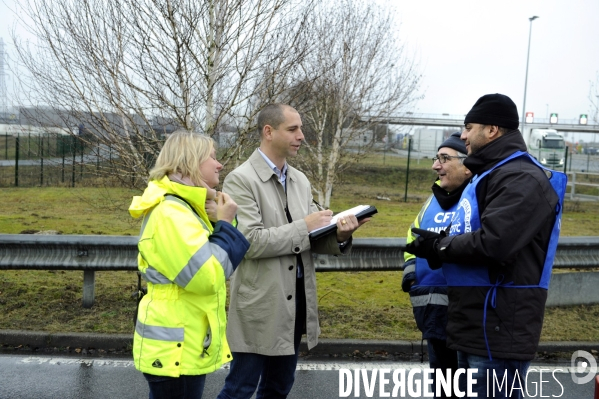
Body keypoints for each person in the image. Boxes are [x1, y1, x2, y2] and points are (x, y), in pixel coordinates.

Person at [405, 94, 566, 398]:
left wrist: (439, 246)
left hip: (497, 329)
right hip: (475, 324)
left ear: (492, 130)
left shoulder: (519, 176)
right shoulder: (491, 174)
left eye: (469, 127)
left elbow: (496, 243)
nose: (462, 135)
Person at [217, 104, 369, 399]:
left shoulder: (299, 179)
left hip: (296, 303)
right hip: (260, 305)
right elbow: (250, 241)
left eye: (301, 128)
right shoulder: (240, 179)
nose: (301, 136)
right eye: (293, 129)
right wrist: (304, 225)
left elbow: (313, 235)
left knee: (278, 389)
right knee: (240, 389)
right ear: (268, 132)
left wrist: (339, 233)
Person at [129, 130, 250, 399]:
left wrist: (221, 221)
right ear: (190, 162)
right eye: (213, 157)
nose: (219, 164)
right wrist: (225, 225)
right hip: (175, 347)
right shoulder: (171, 213)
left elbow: (216, 262)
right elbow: (207, 277)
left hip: (184, 341)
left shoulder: (185, 208)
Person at [401, 132, 470, 398]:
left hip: (468, 314)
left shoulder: (475, 199)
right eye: (436, 158)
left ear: (466, 165)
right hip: (431, 310)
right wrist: (411, 274)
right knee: (443, 388)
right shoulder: (432, 200)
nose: (435, 165)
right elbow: (412, 237)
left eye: (444, 158)